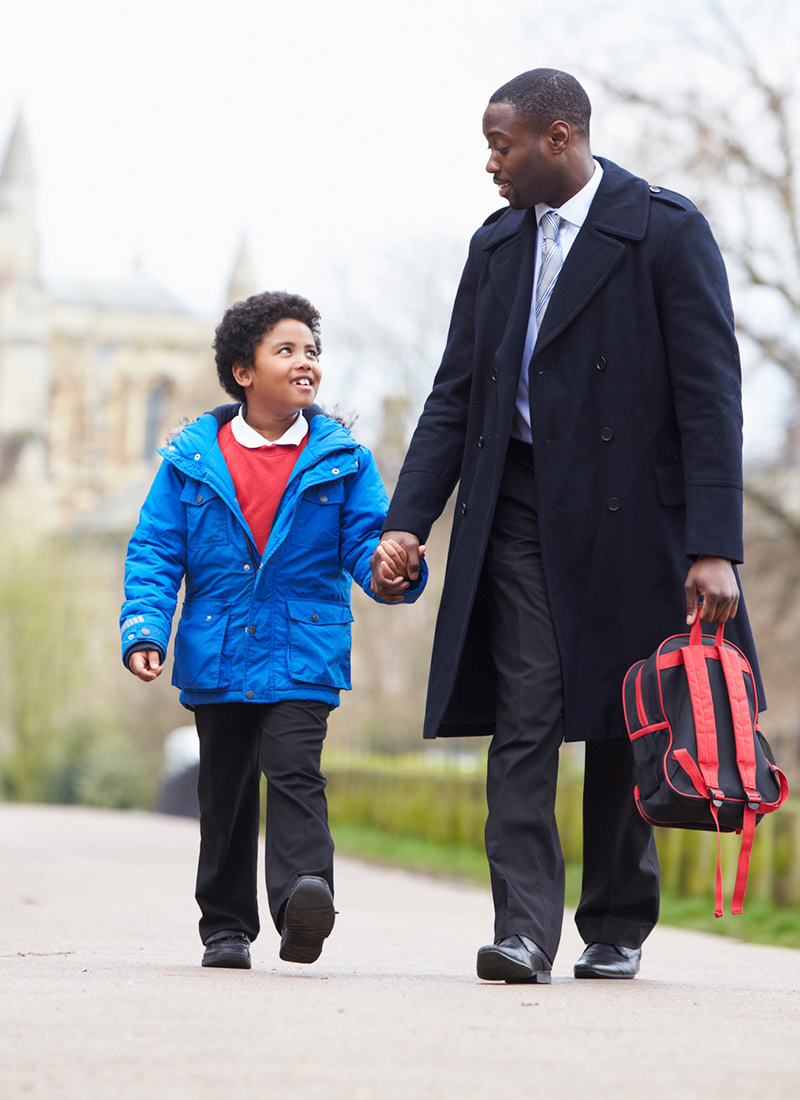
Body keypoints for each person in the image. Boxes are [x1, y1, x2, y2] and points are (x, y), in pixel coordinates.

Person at [370, 68, 764, 983]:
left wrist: (715, 546)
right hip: (515, 503)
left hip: (633, 517)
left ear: (558, 138)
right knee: (526, 710)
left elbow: (713, 399)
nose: (489, 162)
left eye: (500, 143)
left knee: (631, 717)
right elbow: (456, 394)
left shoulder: (665, 230)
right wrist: (408, 521)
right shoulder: (498, 244)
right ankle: (523, 932)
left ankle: (617, 924)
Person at [121, 290, 425, 970]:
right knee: (223, 788)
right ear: (243, 372)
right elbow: (156, 551)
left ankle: (302, 900)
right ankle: (226, 926)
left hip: (303, 645)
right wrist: (145, 628)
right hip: (218, 649)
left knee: (294, 770)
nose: (304, 362)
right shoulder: (189, 460)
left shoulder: (344, 460)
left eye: (312, 351)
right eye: (285, 350)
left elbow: (367, 548)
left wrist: (391, 570)